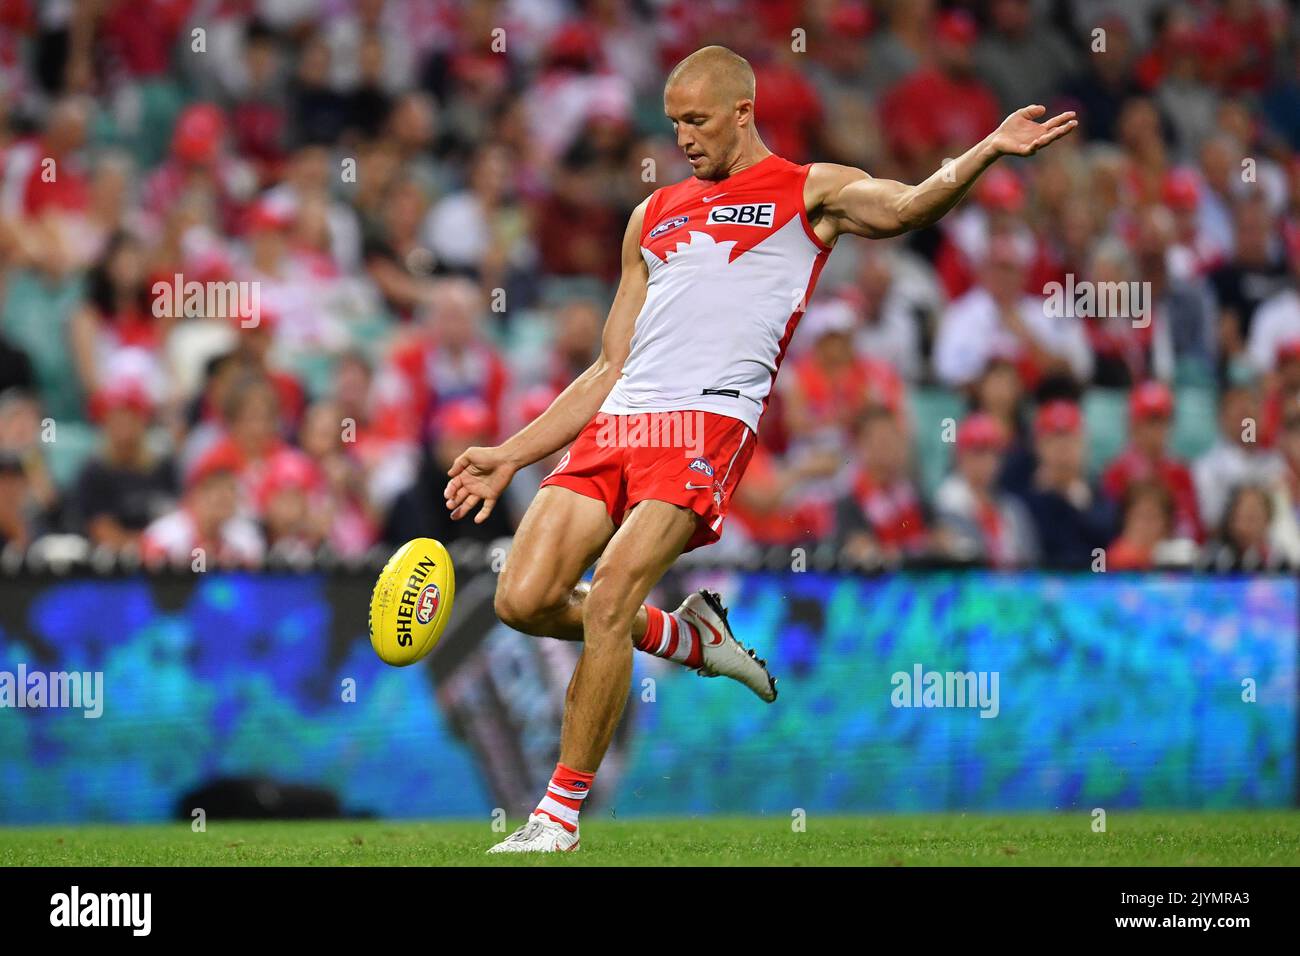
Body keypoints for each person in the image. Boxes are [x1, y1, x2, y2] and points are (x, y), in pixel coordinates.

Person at [441, 45, 1077, 853]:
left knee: (607, 601)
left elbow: (911, 206)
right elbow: (609, 364)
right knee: (520, 600)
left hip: (708, 425)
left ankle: (556, 816)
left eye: (698, 121)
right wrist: (509, 453)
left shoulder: (811, 190)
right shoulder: (652, 214)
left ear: (743, 111)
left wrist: (984, 151)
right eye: (673, 123)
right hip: (623, 420)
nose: (684, 138)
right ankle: (687, 637)